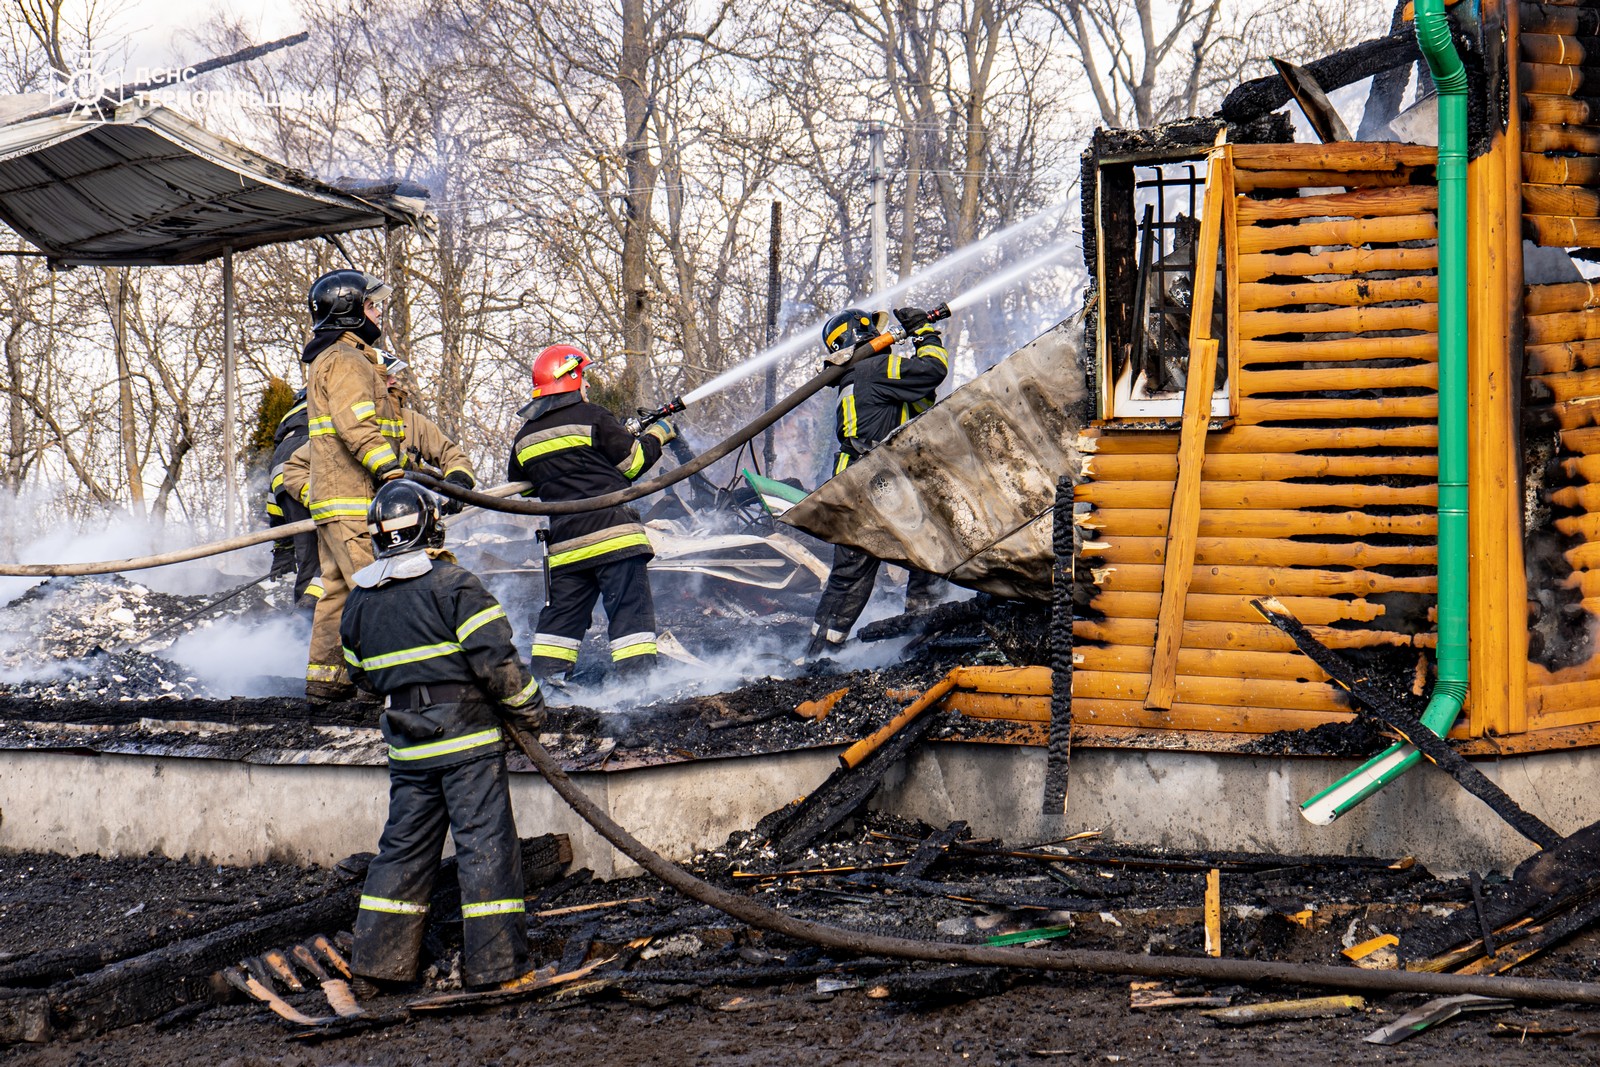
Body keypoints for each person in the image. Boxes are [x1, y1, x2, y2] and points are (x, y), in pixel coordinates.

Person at [340, 479, 545, 993]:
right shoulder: (453, 584)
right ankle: (497, 968)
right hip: (467, 743)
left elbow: (359, 676)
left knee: (403, 850)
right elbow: (496, 659)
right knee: (484, 845)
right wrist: (529, 709)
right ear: (431, 525)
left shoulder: (358, 601)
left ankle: (376, 965)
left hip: (408, 747)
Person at [300, 269, 475, 704]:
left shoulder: (334, 359)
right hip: (354, 503)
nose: (378, 313)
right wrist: (394, 476)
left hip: (337, 505)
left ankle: (327, 681)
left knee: (338, 591)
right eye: (372, 305)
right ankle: (383, 683)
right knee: (377, 588)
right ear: (350, 310)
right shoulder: (346, 360)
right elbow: (356, 426)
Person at [506, 344, 675, 682]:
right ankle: (638, 688)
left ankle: (547, 687)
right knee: (629, 617)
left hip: (566, 549)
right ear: (571, 378)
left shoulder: (524, 437)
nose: (587, 387)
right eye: (583, 378)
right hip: (614, 540)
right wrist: (658, 433)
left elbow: (524, 488)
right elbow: (633, 464)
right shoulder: (594, 416)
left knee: (561, 622)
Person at [806, 307, 950, 658]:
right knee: (930, 552)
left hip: (854, 482)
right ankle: (920, 635)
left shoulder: (854, 379)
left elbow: (918, 403)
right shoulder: (875, 368)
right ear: (865, 336)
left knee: (851, 572)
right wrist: (925, 332)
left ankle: (820, 652)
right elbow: (933, 371)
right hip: (879, 482)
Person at [264, 389, 323, 610]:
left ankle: (301, 624)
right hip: (314, 469)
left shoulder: (283, 442)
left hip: (288, 490)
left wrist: (283, 548)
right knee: (333, 551)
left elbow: (274, 501)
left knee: (308, 557)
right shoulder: (323, 407)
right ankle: (313, 616)